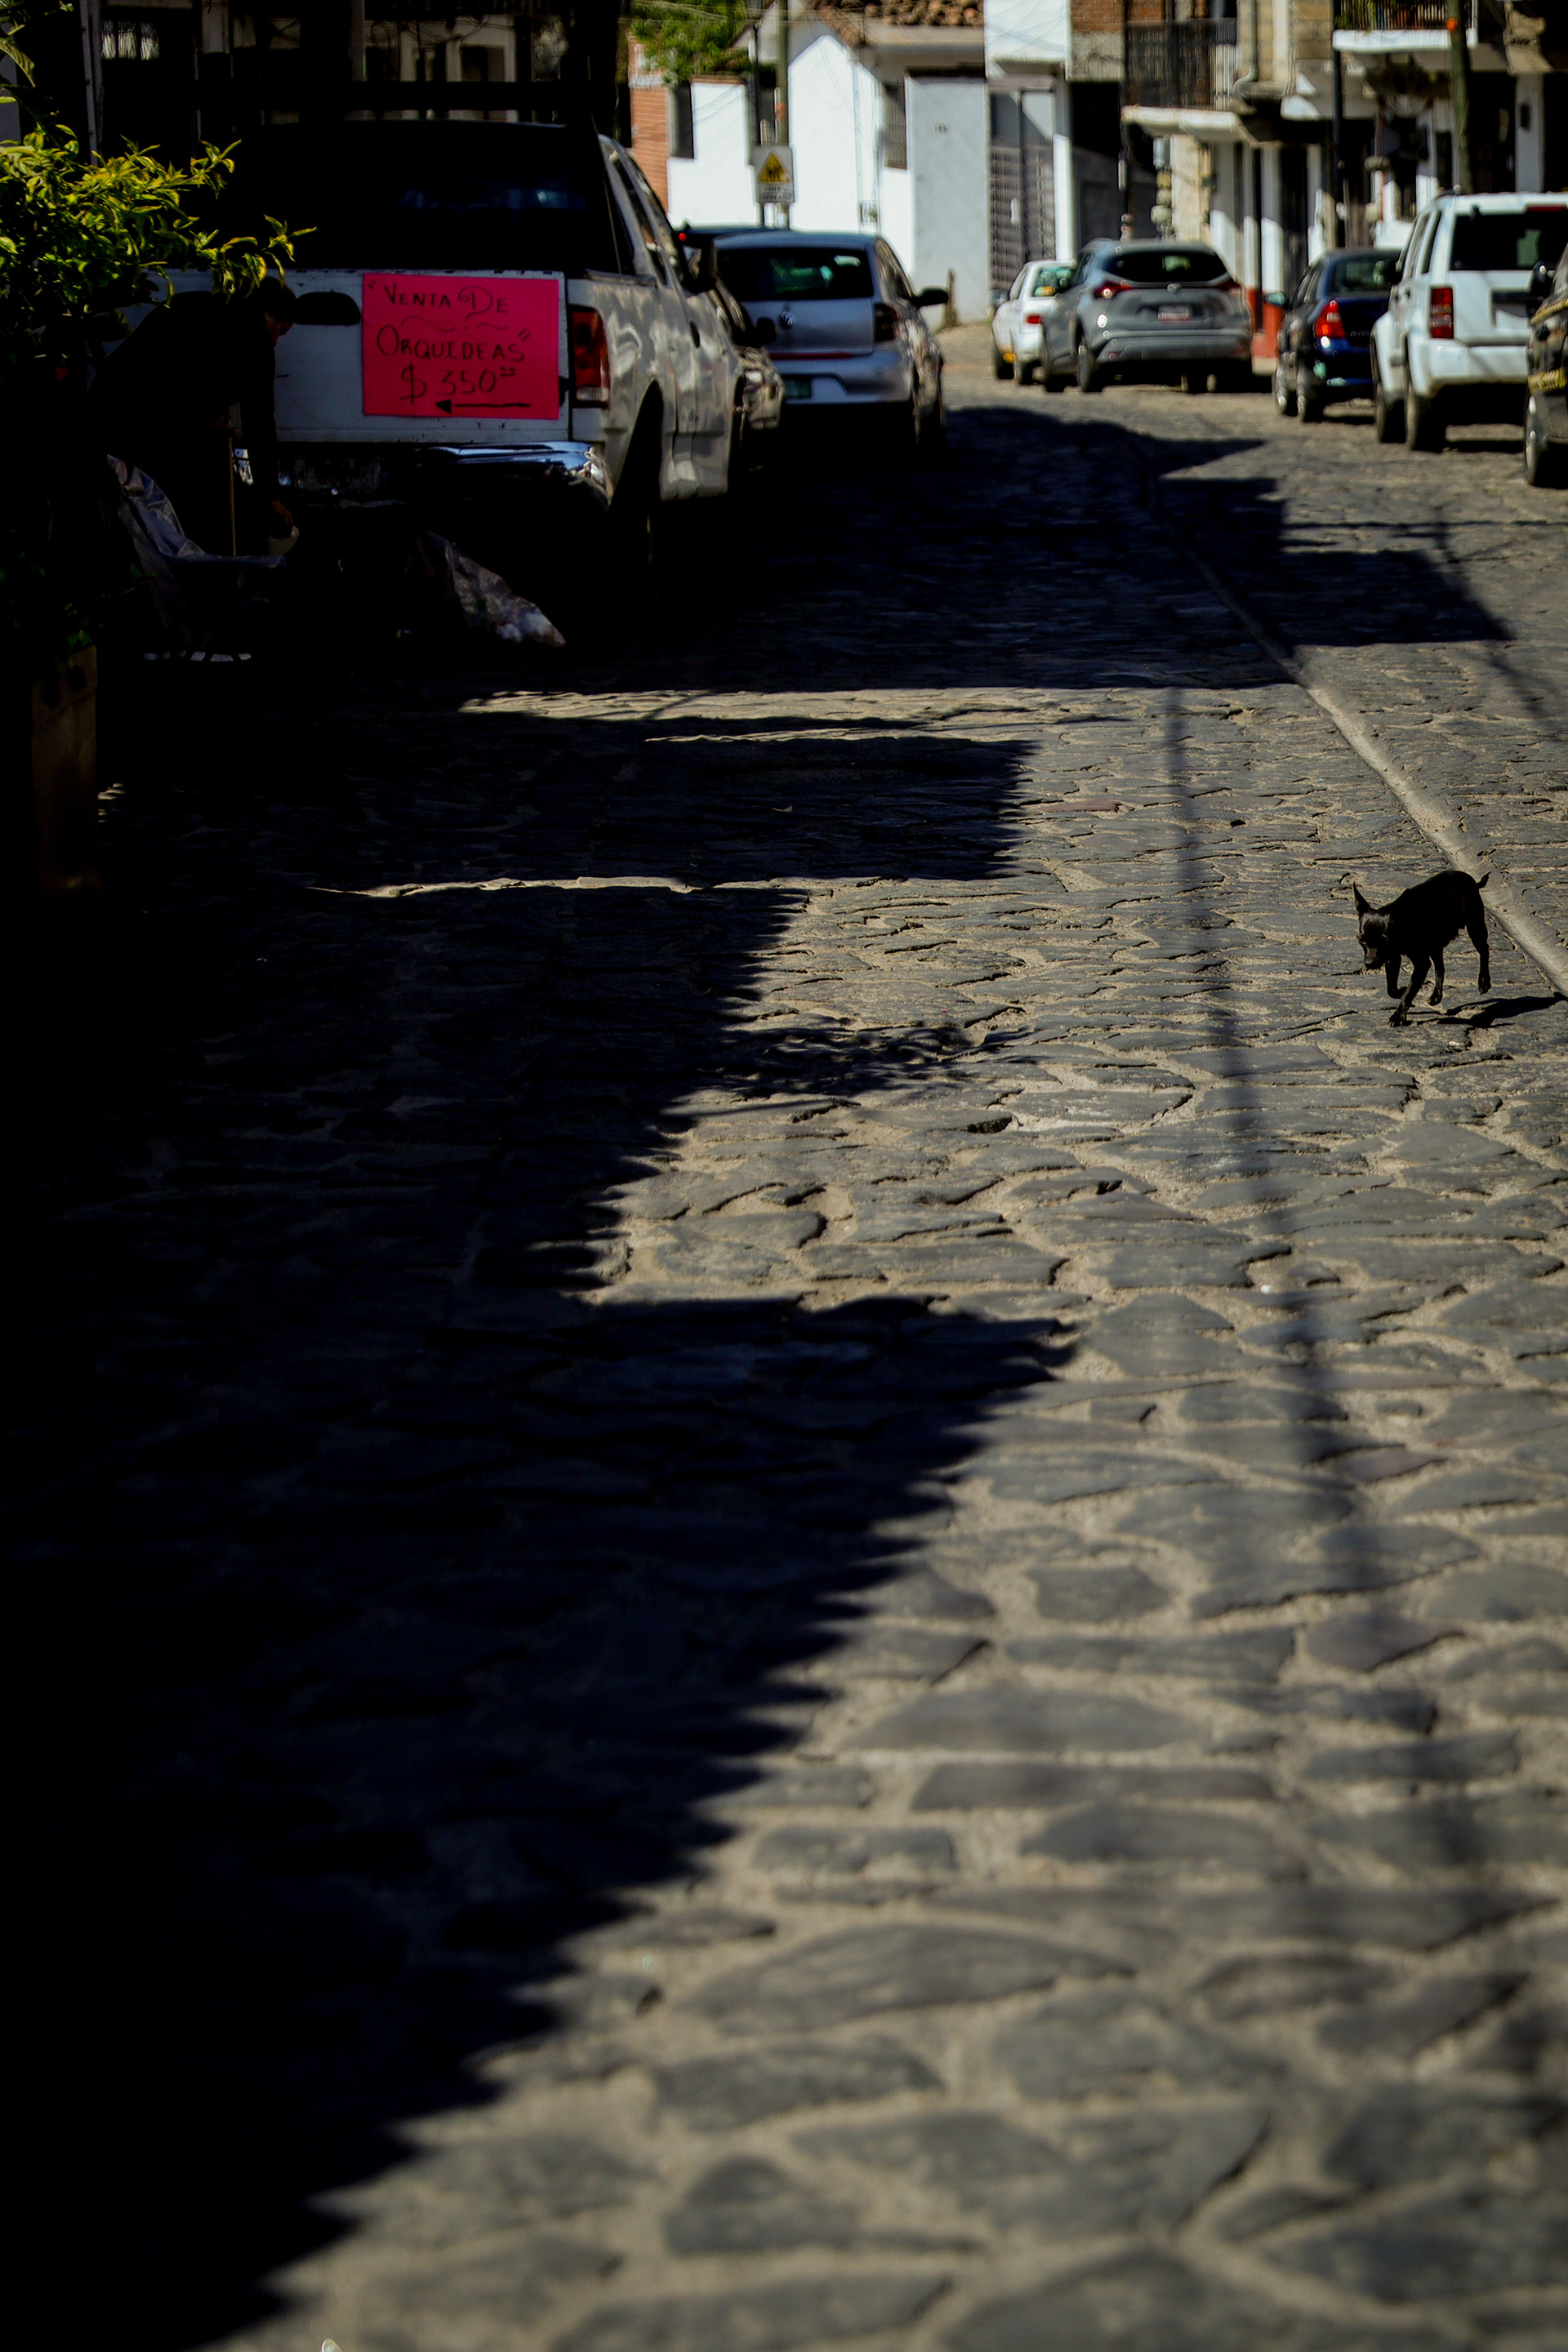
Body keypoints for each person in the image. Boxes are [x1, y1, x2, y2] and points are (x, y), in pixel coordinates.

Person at [90, 278, 297, 554]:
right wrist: (270, 496)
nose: (275, 342)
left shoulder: (194, 306)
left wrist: (199, 419)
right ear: (267, 312)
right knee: (181, 509)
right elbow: (259, 420)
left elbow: (178, 376)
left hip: (117, 412)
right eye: (279, 331)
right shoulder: (249, 336)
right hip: (138, 419)